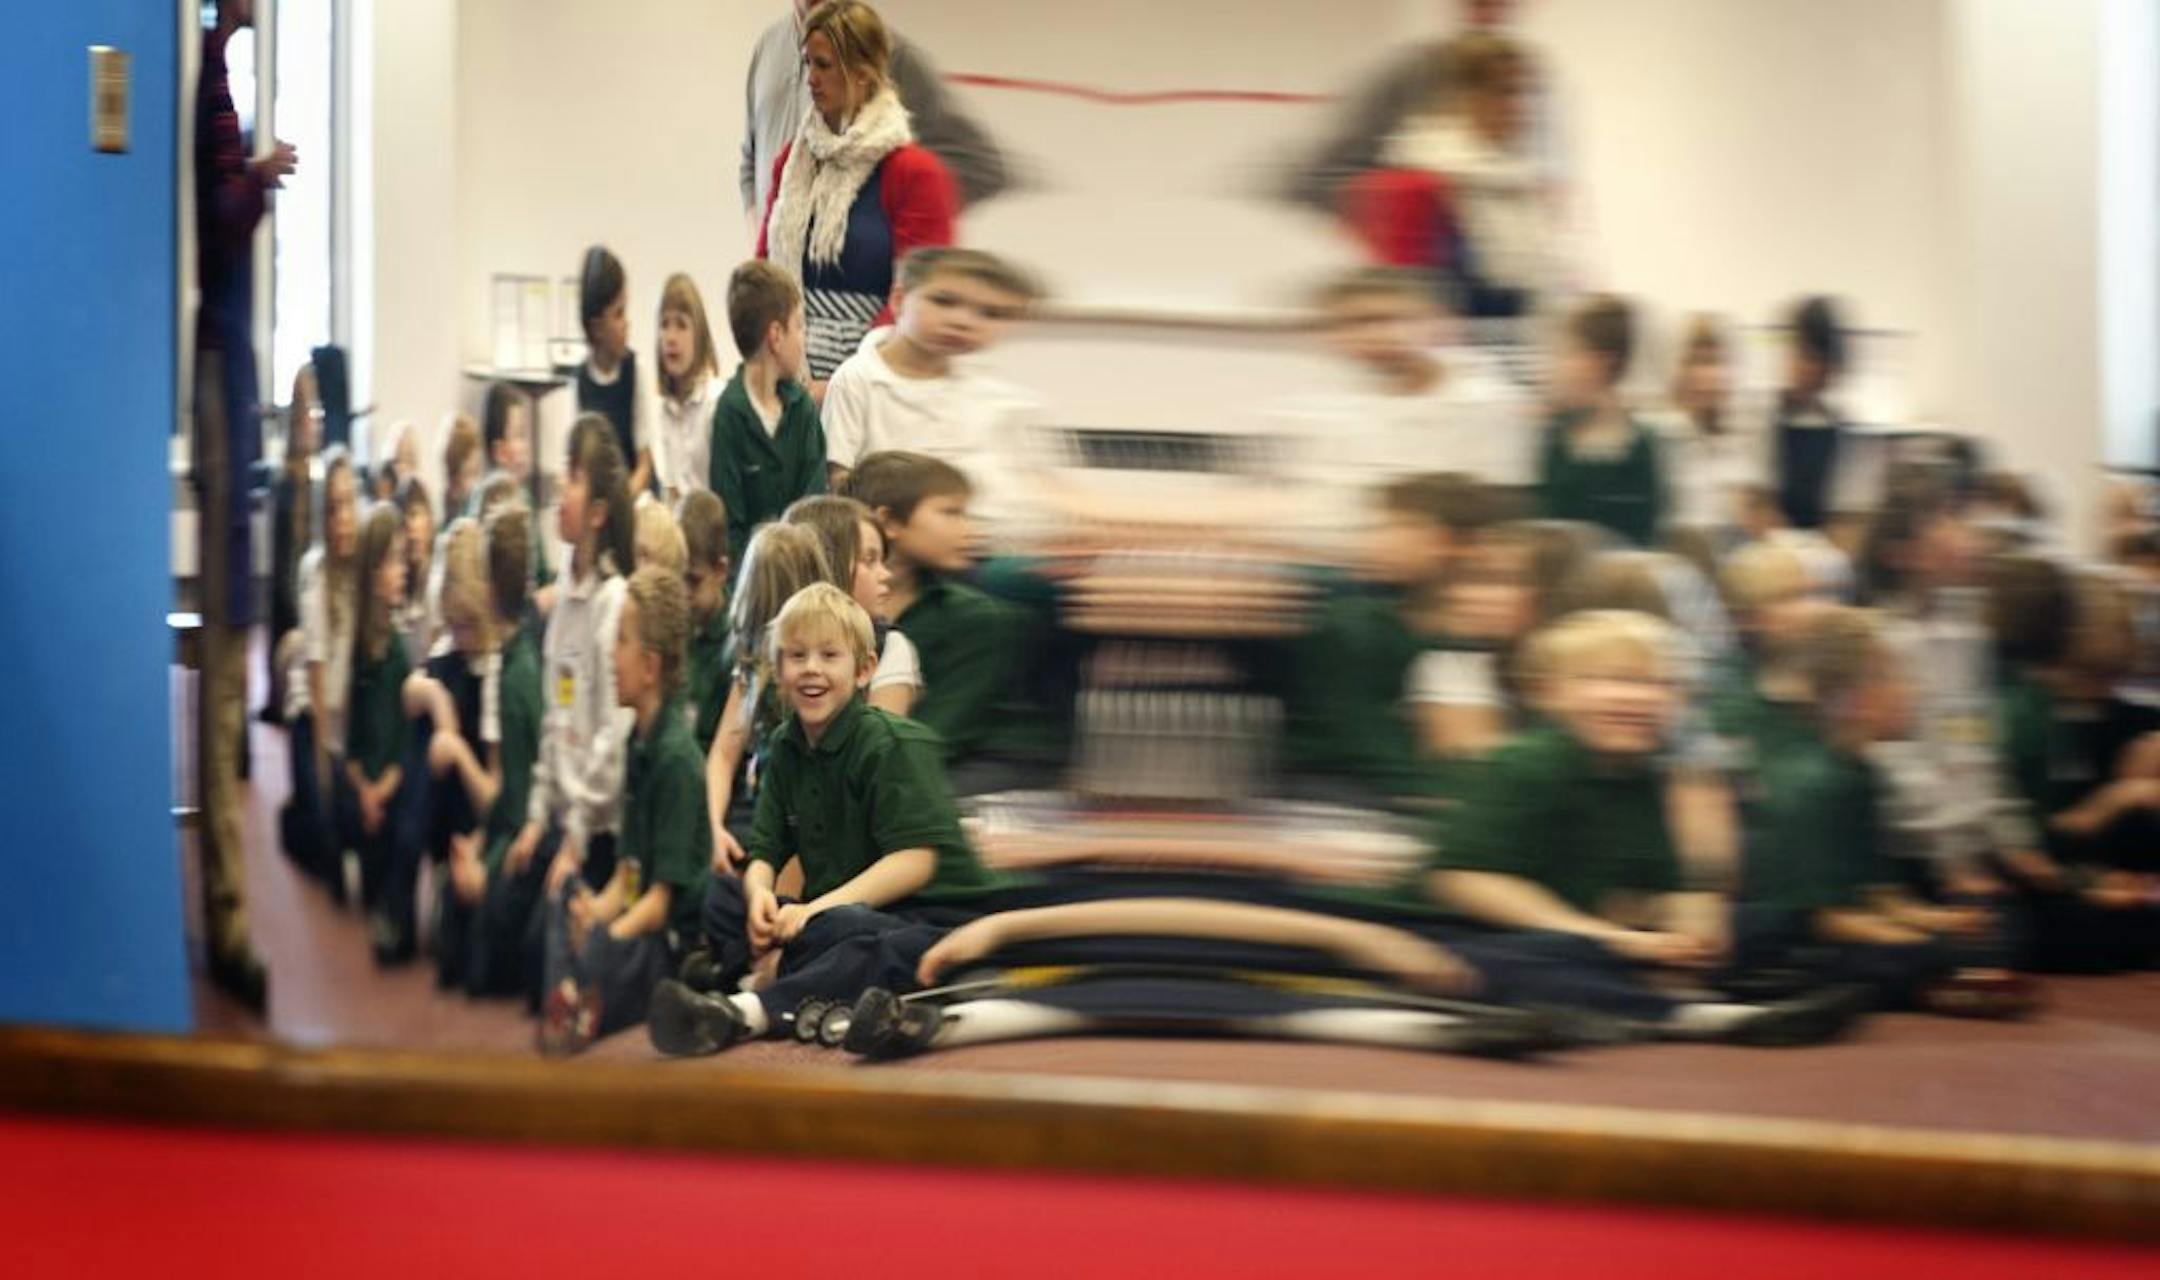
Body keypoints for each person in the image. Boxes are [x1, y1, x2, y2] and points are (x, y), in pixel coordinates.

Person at [648, 584, 1001, 1056]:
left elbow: (914, 863)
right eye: (797, 655)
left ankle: (745, 1010)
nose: (812, 667)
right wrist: (759, 900)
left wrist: (811, 912)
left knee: (852, 934)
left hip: (931, 917)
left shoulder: (894, 744)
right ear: (779, 670)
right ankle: (781, 967)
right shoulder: (785, 747)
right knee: (722, 896)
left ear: (864, 671)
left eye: (829, 655)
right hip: (841, 911)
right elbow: (765, 851)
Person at [1739, 606, 2034, 1016]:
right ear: (1855, 698)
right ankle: (1940, 981)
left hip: (1847, 929)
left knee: (1996, 930)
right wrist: (1920, 940)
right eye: (1898, 677)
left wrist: (1943, 921)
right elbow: (1825, 922)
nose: (1915, 690)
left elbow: (1879, 894)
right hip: (1797, 943)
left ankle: (1946, 979)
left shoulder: (1864, 770)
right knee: (1912, 957)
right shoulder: (1816, 783)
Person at [193, 0, 296, 1011]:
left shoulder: (214, 70)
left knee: (236, 634)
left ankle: (226, 897)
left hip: (229, 372)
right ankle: (225, 909)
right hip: (220, 378)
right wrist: (257, 183)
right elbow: (217, 225)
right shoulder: (208, 75)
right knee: (227, 639)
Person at [537, 567, 713, 1055]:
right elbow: (628, 875)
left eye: (621, 642)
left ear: (651, 666)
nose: (610, 657)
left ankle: (577, 998)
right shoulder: (637, 744)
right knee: (564, 893)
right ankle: (576, 999)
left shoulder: (676, 758)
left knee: (598, 949)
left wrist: (602, 934)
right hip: (638, 920)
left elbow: (658, 903)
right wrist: (594, 911)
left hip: (671, 943)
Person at [757, 0, 958, 389]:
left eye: (824, 65)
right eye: (807, 64)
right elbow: (764, 271)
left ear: (862, 75)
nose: (810, 79)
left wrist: (840, 385)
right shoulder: (792, 163)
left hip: (877, 386)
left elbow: (921, 296)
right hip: (789, 383)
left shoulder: (915, 174)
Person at [1273, 266, 1533, 557]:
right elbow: (1312, 503)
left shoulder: (1488, 404)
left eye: (1385, 319)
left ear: (1438, 323)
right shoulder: (1326, 407)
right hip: (1336, 560)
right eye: (1346, 324)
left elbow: (1491, 517)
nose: (1368, 335)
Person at [1988, 559, 2160, 972]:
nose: (2096, 693)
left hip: (2103, 877)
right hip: (2051, 884)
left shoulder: (2135, 723)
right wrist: (2114, 802)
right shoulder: (2034, 716)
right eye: (2086, 679)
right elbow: (2037, 839)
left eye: (2108, 681)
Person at [511, 417, 636, 928]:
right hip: (562, 819)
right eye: (564, 470)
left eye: (574, 476)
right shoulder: (562, 597)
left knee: (539, 945)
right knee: (488, 926)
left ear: (600, 512)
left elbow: (612, 738)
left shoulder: (614, 603)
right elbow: (553, 721)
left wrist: (574, 842)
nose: (561, 486)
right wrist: (537, 821)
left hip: (597, 832)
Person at [1352, 31, 1557, 319]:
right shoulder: (1418, 177)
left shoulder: (1514, 175)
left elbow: (1535, 279)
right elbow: (1408, 305)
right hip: (1456, 347)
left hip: (1510, 340)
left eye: (1527, 92)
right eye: (1506, 91)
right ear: (1466, 95)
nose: (1522, 107)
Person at [740, 0, 1007, 220]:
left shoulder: (895, 58)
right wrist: (761, 250)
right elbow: (751, 163)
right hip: (777, 273)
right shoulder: (767, 48)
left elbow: (981, 168)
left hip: (856, 280)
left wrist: (884, 234)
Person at [819, 247, 1041, 502]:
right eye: (944, 301)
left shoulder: (986, 389)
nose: (963, 322)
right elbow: (838, 481)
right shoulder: (857, 379)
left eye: (990, 314)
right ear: (899, 300)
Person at [845, 452, 1012, 765]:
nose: (969, 530)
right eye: (951, 513)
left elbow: (932, 743)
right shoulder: (825, 610)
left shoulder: (973, 618)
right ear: (889, 522)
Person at [702, 523, 834, 873]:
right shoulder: (752, 670)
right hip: (754, 815)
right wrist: (712, 826)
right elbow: (722, 755)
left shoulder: (816, 683)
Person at [460, 506, 550, 999]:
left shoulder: (517, 676)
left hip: (527, 838)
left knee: (474, 964)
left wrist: (487, 863)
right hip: (515, 825)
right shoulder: (515, 659)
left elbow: (520, 799)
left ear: (491, 589)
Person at [278, 447, 359, 898]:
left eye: (349, 506)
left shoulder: (363, 565)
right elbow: (317, 681)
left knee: (359, 832)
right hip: (313, 721)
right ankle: (296, 816)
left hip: (347, 725)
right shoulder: (316, 571)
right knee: (327, 848)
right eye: (332, 510)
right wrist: (329, 782)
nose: (343, 519)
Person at [711, 259, 826, 571]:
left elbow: (814, 508)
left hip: (803, 575)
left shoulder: (802, 408)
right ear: (776, 335)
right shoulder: (729, 414)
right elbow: (729, 526)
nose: (804, 339)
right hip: (750, 581)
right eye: (799, 325)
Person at [341, 504, 413, 964]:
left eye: (404, 560)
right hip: (363, 785)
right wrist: (363, 790)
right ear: (371, 572)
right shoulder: (357, 650)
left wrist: (382, 789)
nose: (402, 572)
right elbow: (350, 739)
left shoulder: (401, 653)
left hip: (391, 784)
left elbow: (404, 742)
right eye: (392, 562)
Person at [1537, 295, 1664, 546]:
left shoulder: (1640, 445)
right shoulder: (1555, 437)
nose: (1561, 366)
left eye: (1572, 353)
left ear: (1605, 360)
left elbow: (1644, 536)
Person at [786, 493, 921, 716]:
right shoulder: (767, 640)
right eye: (869, 560)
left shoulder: (889, 647)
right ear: (828, 566)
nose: (886, 574)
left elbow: (879, 746)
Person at [1653, 314, 1758, 544]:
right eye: (1697, 361)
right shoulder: (1660, 437)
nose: (1706, 376)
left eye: (1716, 362)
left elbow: (1745, 526)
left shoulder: (1741, 447)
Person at [264, 362, 321, 725]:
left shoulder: (304, 481)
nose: (316, 424)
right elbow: (286, 572)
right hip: (291, 613)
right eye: (311, 414)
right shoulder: (289, 485)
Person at [575, 245, 657, 497]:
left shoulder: (636, 371)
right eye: (619, 314)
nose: (627, 323)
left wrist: (619, 504)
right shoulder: (579, 380)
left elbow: (645, 465)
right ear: (597, 327)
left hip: (633, 499)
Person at [1771, 296, 1852, 532]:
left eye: (1815, 357)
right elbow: (1755, 503)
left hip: (1823, 556)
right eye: (1798, 352)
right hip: (1770, 554)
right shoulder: (1764, 418)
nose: (1805, 367)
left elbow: (1846, 517)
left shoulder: (1841, 429)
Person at [652, 273, 725, 506]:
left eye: (681, 325)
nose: (670, 338)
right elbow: (670, 490)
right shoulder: (663, 407)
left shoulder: (718, 401)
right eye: (665, 325)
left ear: (699, 335)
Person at [678, 491, 733, 754]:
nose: (683, 593)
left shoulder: (734, 649)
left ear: (720, 571)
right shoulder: (673, 629)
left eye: (693, 580)